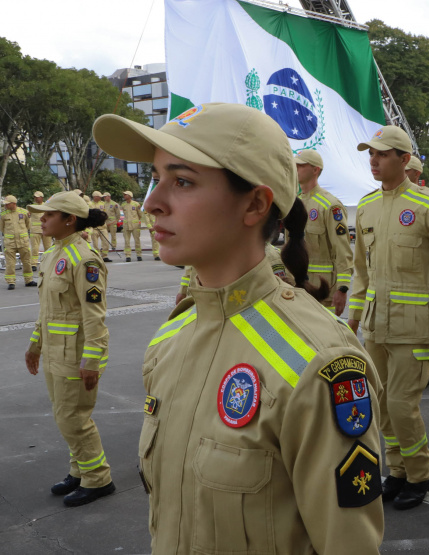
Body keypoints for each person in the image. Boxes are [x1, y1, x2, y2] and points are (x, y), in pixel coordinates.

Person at [92, 102, 385, 552]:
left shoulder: (316, 361)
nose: (152, 202)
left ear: (254, 204)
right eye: (156, 177)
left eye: (182, 181)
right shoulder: (171, 337)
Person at [348, 125, 429, 510]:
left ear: (404, 160)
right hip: (375, 325)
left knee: (402, 404)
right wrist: (350, 318)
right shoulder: (366, 207)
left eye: (382, 154)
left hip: (413, 327)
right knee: (381, 405)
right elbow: (360, 272)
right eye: (371, 153)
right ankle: (397, 471)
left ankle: (420, 473)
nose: (374, 159)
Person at [24, 191, 115, 507]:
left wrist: (92, 359)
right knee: (64, 414)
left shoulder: (84, 259)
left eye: (48, 214)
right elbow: (47, 308)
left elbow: (95, 314)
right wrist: (35, 345)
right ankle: (79, 471)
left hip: (76, 356)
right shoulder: (51, 254)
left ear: (69, 219)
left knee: (73, 418)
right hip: (53, 352)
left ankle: (98, 478)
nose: (42, 219)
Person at [295, 149, 354, 315]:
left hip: (322, 289)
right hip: (297, 288)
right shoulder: (295, 203)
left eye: (301, 165)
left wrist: (342, 288)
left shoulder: (329, 205)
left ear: (315, 170)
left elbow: (342, 249)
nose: (296, 168)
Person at [2, 195, 36, 290]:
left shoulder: (24, 212)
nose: (5, 206)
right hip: (10, 243)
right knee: (10, 263)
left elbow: (28, 225)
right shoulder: (3, 215)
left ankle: (29, 280)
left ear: (13, 203)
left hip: (23, 242)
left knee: (27, 261)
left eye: (7, 204)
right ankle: (11, 282)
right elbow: (2, 228)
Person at [29, 191, 52, 269]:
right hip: (35, 230)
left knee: (48, 247)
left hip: (46, 229)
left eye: (37, 197)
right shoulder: (31, 207)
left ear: (41, 197)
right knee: (35, 248)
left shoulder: (47, 206)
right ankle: (33, 264)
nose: (36, 198)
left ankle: (48, 261)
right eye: (35, 197)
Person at [121, 191, 143, 261]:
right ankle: (128, 256)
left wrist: (136, 221)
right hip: (126, 225)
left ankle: (139, 255)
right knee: (127, 241)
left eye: (125, 195)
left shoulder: (136, 204)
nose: (124, 196)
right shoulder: (123, 204)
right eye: (124, 195)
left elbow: (140, 215)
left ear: (130, 196)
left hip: (135, 225)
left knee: (137, 240)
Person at [101, 192, 119, 262]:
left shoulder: (114, 204)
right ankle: (104, 247)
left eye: (106, 196)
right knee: (104, 235)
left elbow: (117, 213)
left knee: (113, 234)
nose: (105, 198)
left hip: (112, 221)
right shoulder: (103, 204)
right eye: (104, 197)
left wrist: (116, 220)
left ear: (109, 196)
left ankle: (113, 245)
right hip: (106, 222)